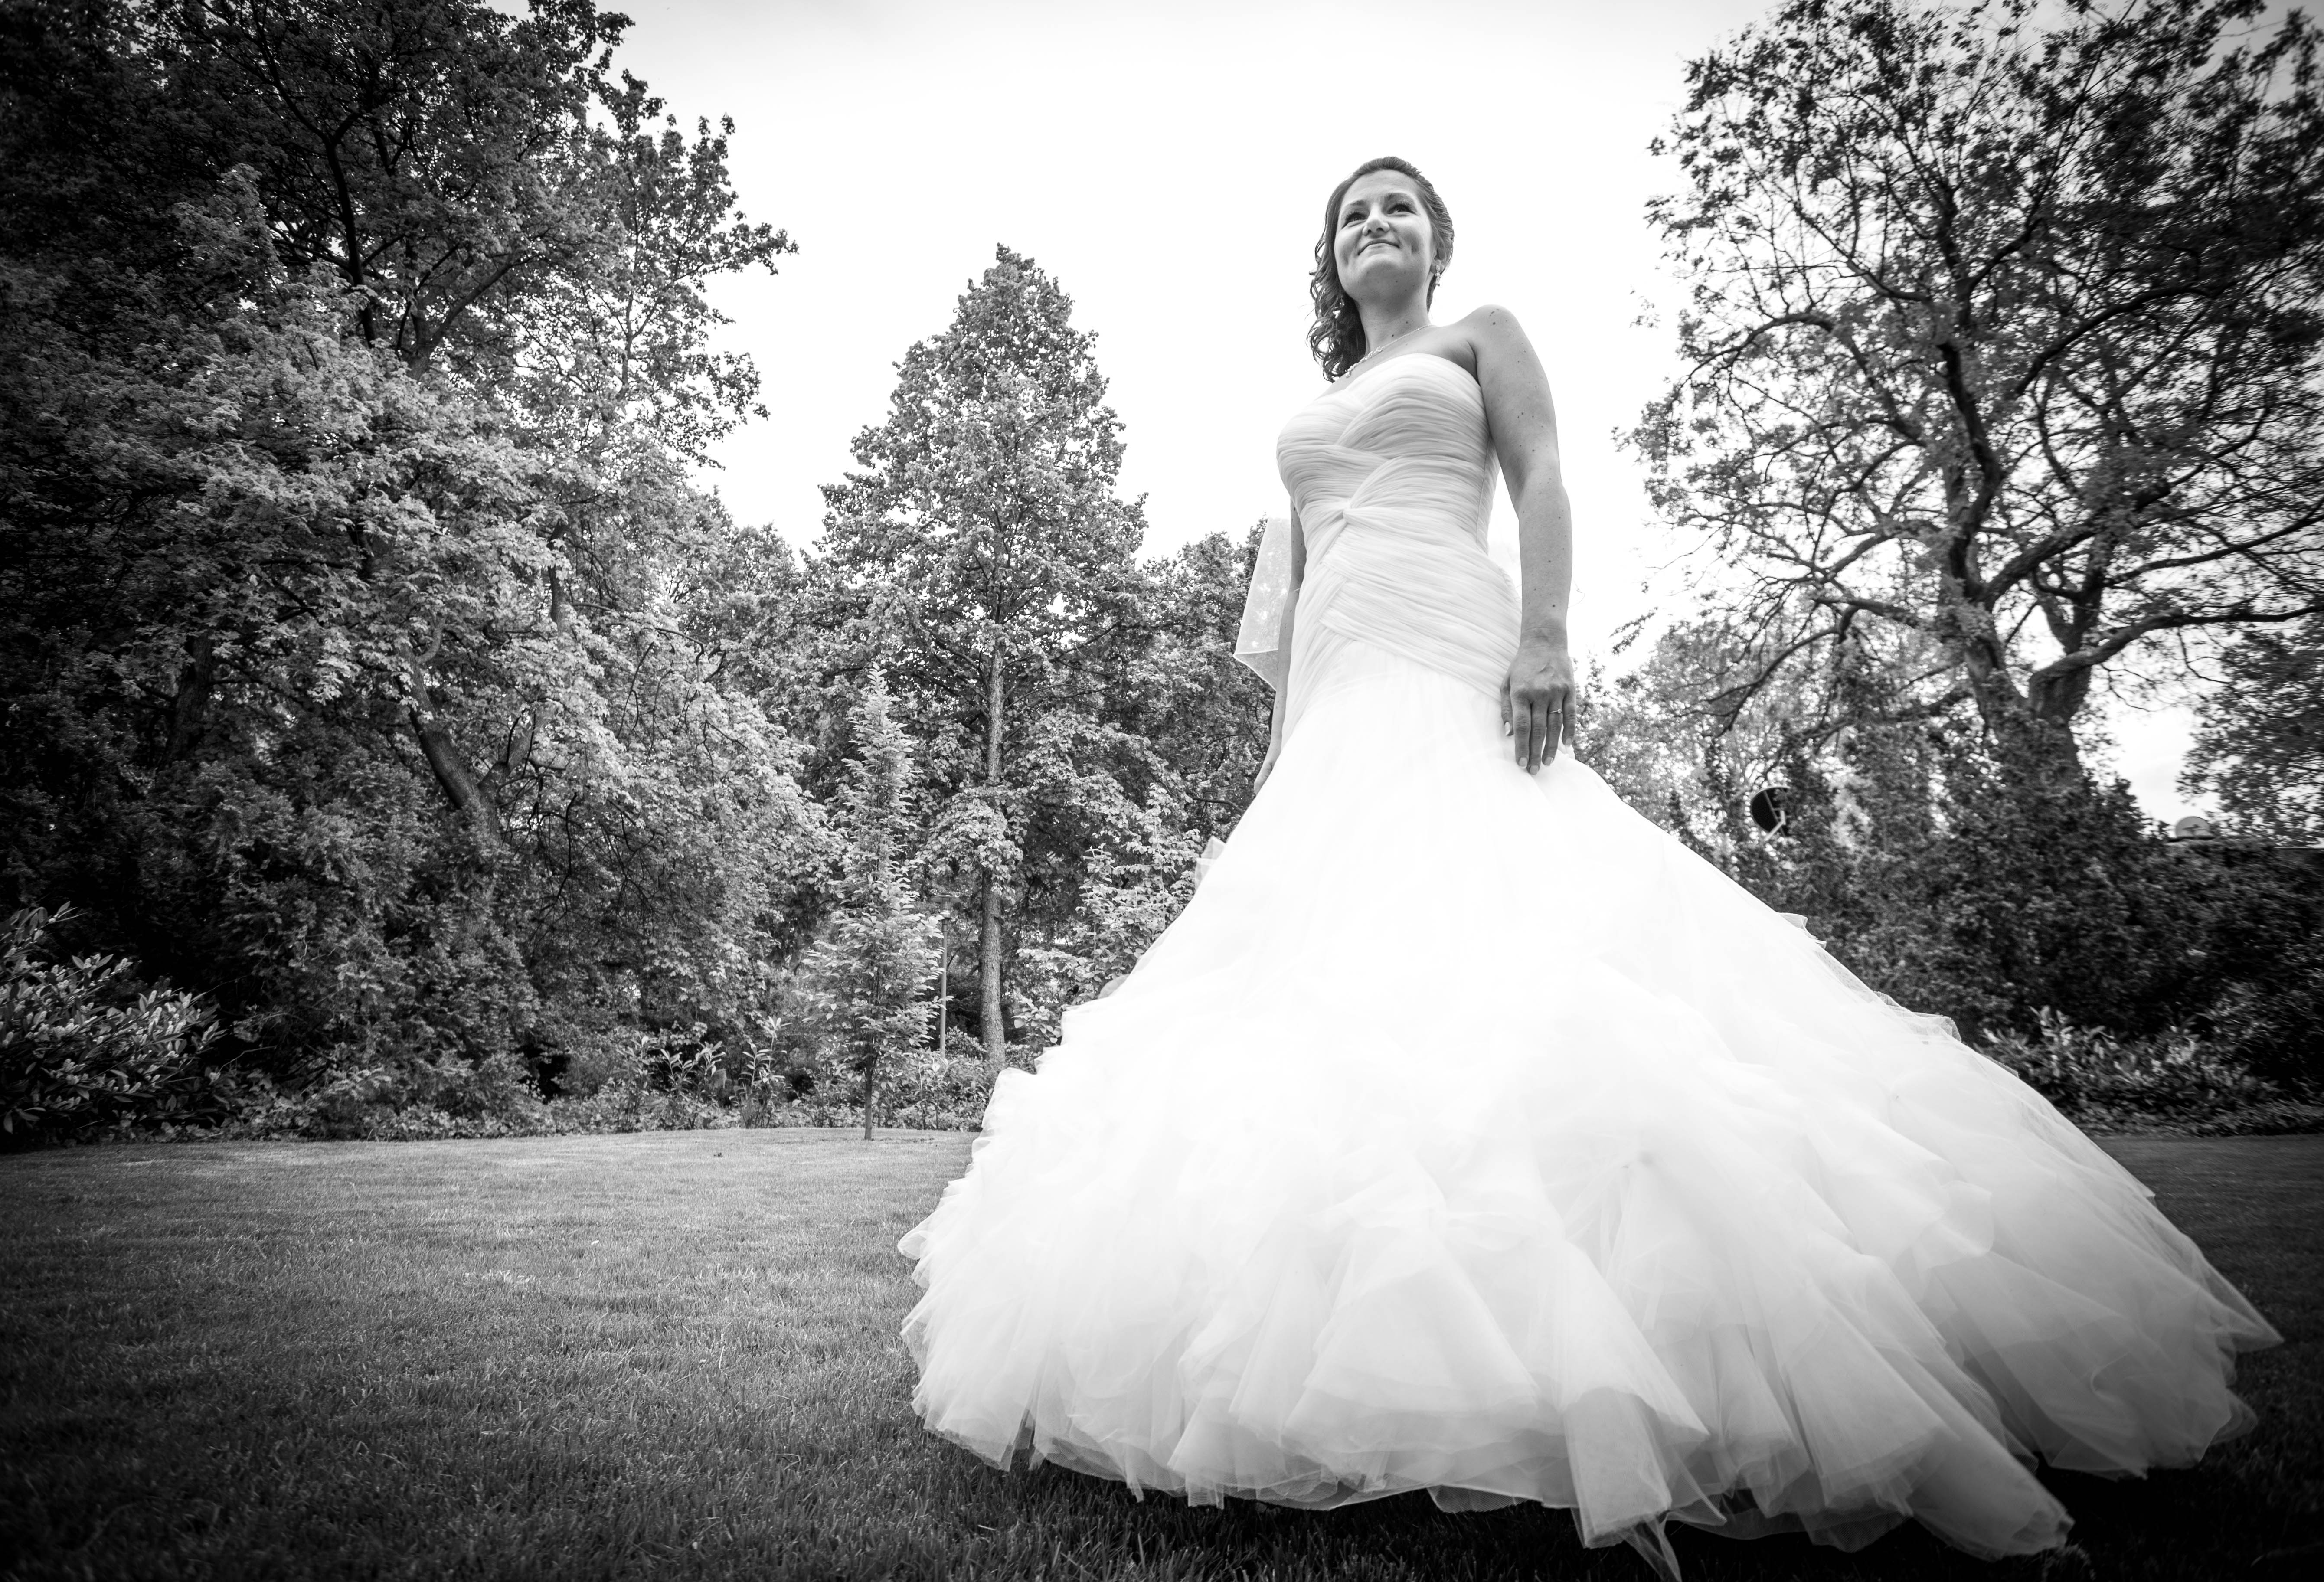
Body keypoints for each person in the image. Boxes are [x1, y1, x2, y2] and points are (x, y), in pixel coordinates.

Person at [896, 155, 2277, 1576]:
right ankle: (1366, 1378)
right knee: (1328, 1001)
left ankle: (1810, 1405)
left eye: (1399, 208)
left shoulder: (1480, 337)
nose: (1376, 225)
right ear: (1331, 259)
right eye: (1353, 214)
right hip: (1343, 701)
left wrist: (1546, 639)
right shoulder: (1311, 411)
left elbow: (1545, 476)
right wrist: (1282, 759)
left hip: (1460, 656)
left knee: (1545, 959)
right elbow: (1299, 599)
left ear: (1438, 243)